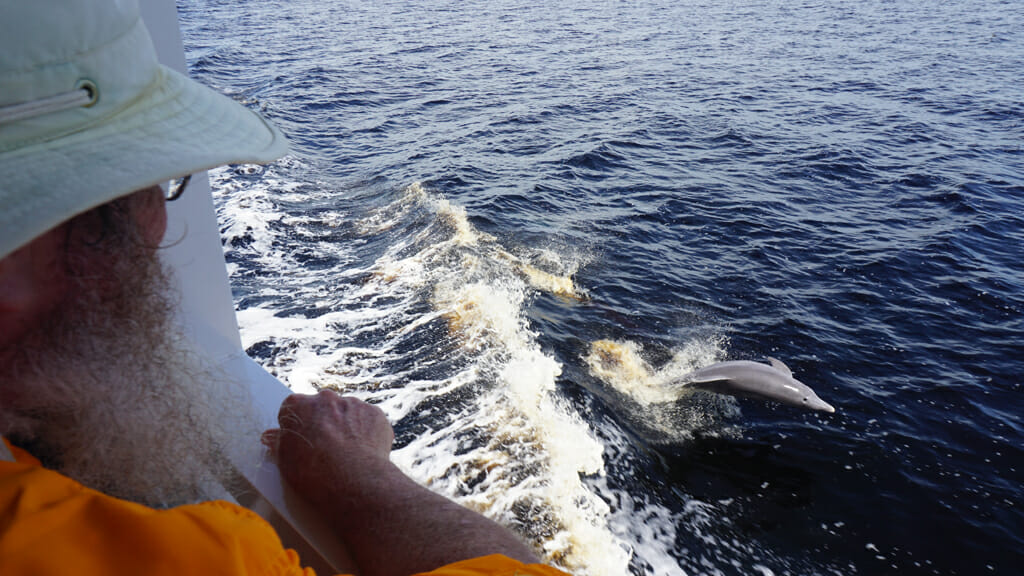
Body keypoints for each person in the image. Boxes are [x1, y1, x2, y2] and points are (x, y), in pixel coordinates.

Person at [0, 2, 568, 575]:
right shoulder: (200, 558)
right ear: (15, 266)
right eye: (151, 187)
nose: (160, 227)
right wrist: (358, 472)